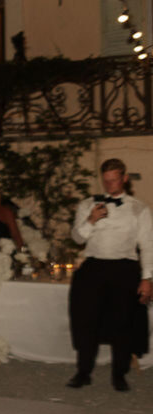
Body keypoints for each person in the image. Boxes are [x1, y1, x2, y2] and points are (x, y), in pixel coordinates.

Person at [68, 158, 153, 392]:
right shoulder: (87, 205)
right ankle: (83, 372)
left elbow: (147, 245)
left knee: (122, 324)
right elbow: (77, 238)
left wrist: (147, 278)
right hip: (93, 267)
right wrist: (91, 220)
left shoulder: (139, 208)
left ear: (124, 179)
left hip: (124, 268)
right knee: (86, 322)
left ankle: (119, 374)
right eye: (105, 181)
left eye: (114, 180)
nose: (109, 185)